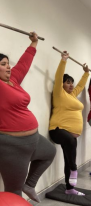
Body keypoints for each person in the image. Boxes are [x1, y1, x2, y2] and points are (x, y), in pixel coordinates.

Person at [0, 15, 56, 203]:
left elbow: (24, 65)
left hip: (33, 140)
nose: (9, 67)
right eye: (3, 64)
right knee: (13, 192)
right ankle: (22, 191)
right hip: (10, 145)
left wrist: (33, 44)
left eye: (8, 63)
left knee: (50, 152)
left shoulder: (13, 81)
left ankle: (30, 184)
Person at [49, 51, 89, 196]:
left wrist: (86, 73)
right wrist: (63, 60)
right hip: (58, 130)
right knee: (71, 147)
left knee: (68, 158)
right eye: (68, 82)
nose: (71, 85)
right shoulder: (59, 93)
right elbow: (59, 76)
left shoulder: (72, 95)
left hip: (70, 135)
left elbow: (81, 84)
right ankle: (74, 168)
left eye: (71, 82)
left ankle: (69, 188)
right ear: (62, 84)